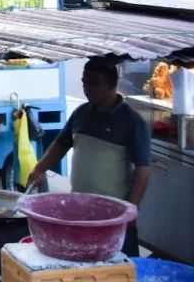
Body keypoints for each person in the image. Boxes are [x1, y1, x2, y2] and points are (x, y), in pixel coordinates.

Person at [26, 57, 151, 257]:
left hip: (114, 214)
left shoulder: (132, 122)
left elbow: (143, 169)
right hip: (79, 209)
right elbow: (61, 144)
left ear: (111, 84)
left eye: (94, 83)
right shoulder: (81, 113)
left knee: (120, 271)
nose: (87, 89)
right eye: (84, 82)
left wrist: (132, 209)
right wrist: (39, 168)